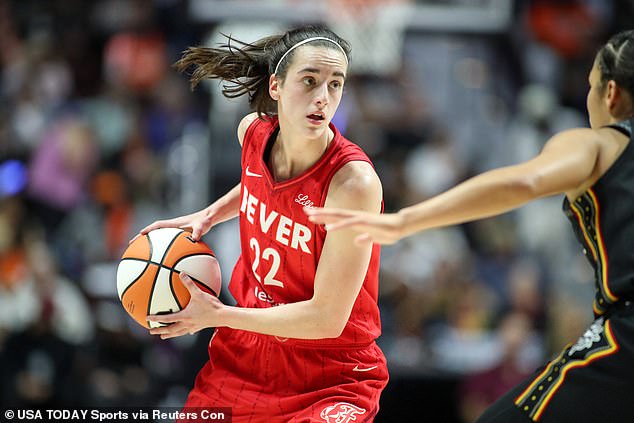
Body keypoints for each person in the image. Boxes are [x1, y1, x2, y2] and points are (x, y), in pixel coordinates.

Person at [306, 30, 634, 422]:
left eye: (591, 87)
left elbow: (525, 181)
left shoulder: (600, 142)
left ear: (610, 94)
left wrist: (405, 219)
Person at [135, 25, 388, 422]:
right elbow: (258, 184)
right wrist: (209, 214)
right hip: (248, 352)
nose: (323, 97)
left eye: (335, 84)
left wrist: (217, 315)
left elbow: (327, 317)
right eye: (309, 80)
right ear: (276, 87)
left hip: (329, 371)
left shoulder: (353, 184)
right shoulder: (252, 133)